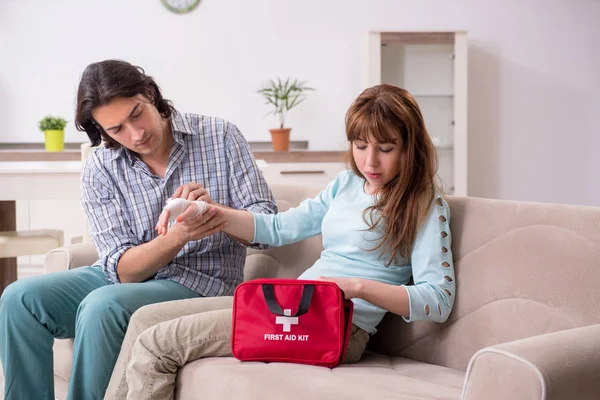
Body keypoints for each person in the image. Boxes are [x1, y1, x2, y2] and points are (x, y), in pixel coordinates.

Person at [107, 83, 457, 399]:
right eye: (360, 145)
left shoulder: (424, 205)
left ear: (409, 148)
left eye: (385, 148)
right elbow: (279, 228)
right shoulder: (347, 184)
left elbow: (439, 301)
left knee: (158, 345)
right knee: (145, 320)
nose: (369, 161)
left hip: (337, 327)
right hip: (294, 305)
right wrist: (212, 213)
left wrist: (356, 287)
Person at [0, 59, 276, 400]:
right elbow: (122, 270)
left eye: (136, 114)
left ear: (149, 94)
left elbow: (266, 229)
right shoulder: (100, 166)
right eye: (116, 129)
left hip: (202, 282)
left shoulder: (220, 136)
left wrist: (214, 213)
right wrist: (178, 236)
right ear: (101, 131)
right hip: (128, 277)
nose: (136, 133)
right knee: (19, 299)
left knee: (104, 306)